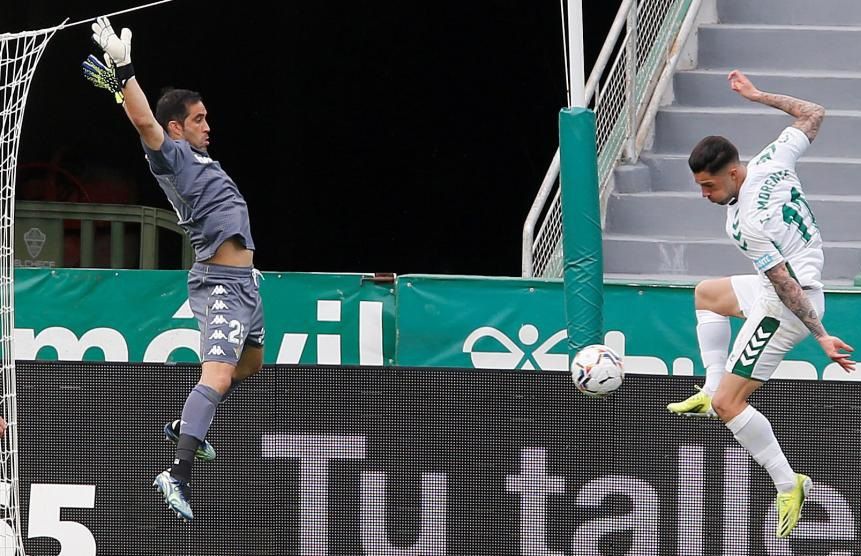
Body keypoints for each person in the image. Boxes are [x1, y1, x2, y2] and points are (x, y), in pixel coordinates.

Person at [88, 17, 265, 522]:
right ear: (177, 128)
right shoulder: (174, 158)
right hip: (221, 285)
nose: (209, 125)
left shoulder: (200, 159)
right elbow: (144, 122)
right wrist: (124, 72)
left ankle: (185, 426)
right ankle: (178, 470)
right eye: (200, 118)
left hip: (247, 287)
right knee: (217, 374)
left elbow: (146, 118)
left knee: (248, 367)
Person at [666, 70, 855, 538]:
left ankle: (789, 483)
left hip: (788, 306)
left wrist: (820, 337)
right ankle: (710, 387)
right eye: (699, 186)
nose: (704, 195)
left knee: (732, 405)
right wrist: (756, 96)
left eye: (709, 186)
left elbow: (785, 283)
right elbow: (813, 112)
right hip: (778, 289)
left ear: (732, 173)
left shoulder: (746, 221)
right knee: (707, 294)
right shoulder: (772, 158)